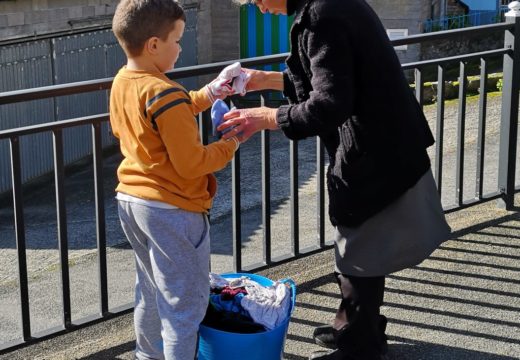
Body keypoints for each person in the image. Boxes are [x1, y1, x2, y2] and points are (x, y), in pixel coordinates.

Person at [223, 0, 452, 359]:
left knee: (356, 251)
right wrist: (262, 79)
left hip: (372, 150)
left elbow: (329, 104)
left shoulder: (319, 17)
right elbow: (333, 80)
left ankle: (360, 347)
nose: (258, 8)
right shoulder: (329, 5)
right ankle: (358, 330)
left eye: (255, 0)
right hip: (386, 140)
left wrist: (267, 117)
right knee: (363, 248)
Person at [109, 1, 242, 359]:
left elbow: (171, 111)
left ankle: (148, 356)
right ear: (153, 45)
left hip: (133, 202)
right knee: (183, 306)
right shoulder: (163, 92)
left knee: (151, 293)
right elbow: (192, 163)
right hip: (173, 209)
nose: (181, 48)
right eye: (177, 40)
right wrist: (232, 142)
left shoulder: (125, 81)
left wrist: (213, 91)